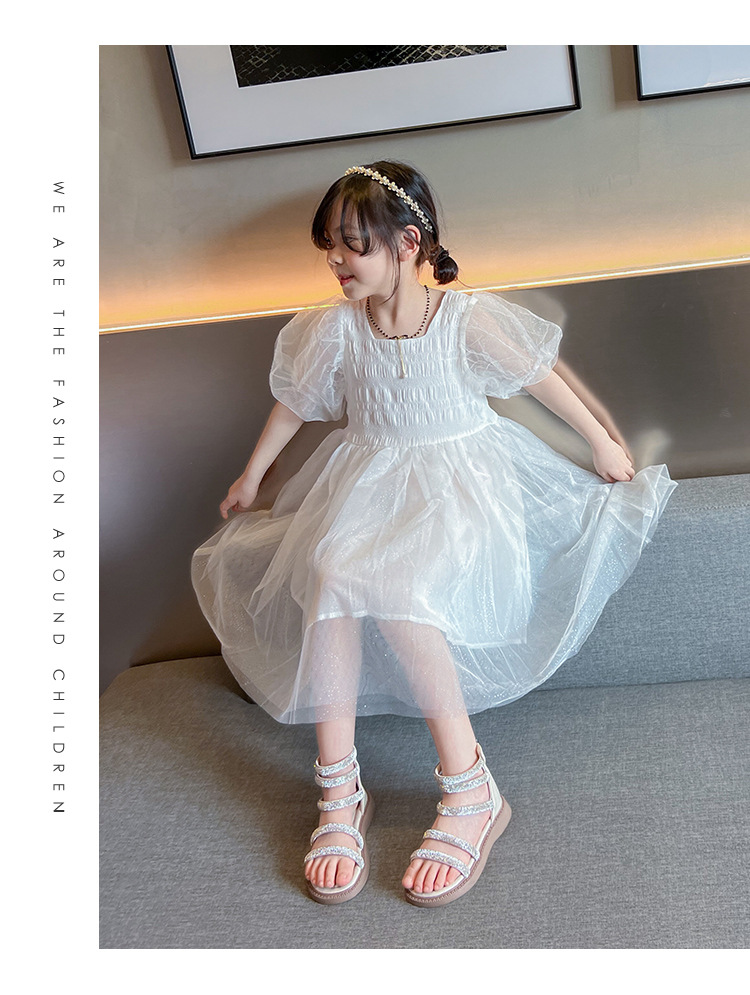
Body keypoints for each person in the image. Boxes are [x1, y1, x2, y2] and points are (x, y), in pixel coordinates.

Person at [191, 160, 677, 908]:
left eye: (352, 244)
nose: (336, 260)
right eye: (329, 246)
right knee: (329, 573)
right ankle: (339, 789)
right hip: (367, 483)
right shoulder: (336, 329)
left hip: (459, 489)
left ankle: (470, 786)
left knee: (400, 588)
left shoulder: (463, 319)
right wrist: (254, 474)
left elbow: (541, 378)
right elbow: (294, 404)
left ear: (407, 243)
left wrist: (601, 441)